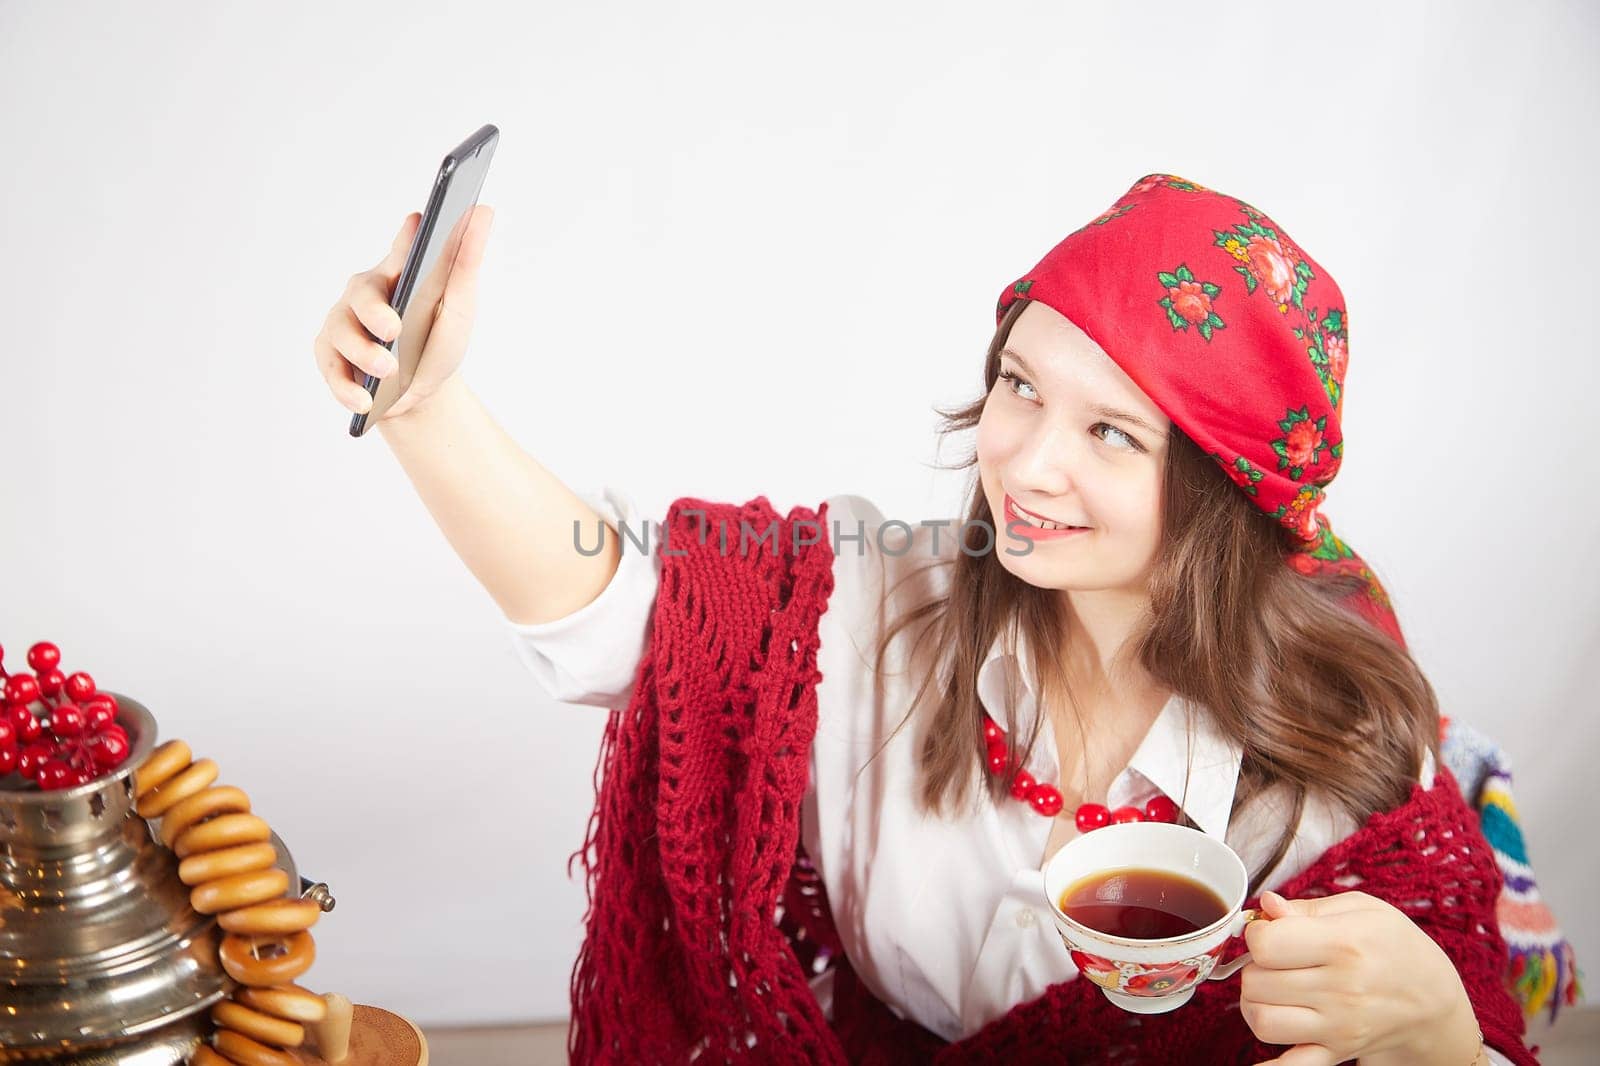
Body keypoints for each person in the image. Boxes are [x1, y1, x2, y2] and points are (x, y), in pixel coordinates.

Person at [313, 174, 1535, 1064]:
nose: (1027, 465)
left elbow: (1456, 1030)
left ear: (1224, 492)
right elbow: (614, 603)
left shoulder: (1353, 753)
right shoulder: (865, 606)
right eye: (1019, 386)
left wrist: (1438, 1035)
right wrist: (426, 407)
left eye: (1110, 432)